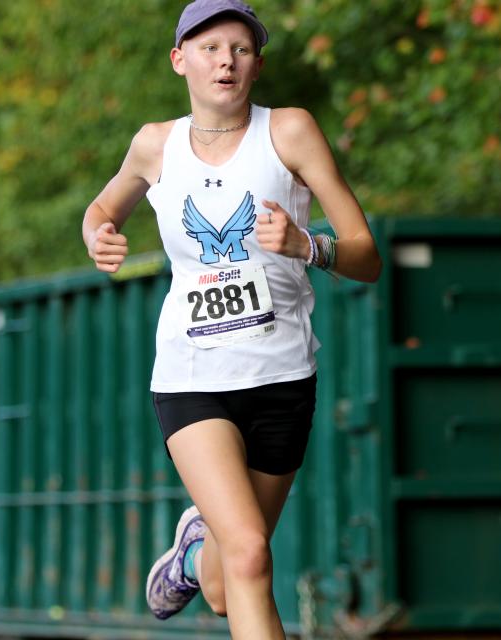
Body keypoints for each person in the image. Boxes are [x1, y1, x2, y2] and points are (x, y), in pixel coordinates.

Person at [82, 1, 382, 636]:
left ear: (257, 64)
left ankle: (194, 552)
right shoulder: (154, 144)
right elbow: (101, 209)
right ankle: (208, 543)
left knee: (224, 586)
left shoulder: (290, 132)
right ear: (179, 60)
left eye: (241, 49)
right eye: (211, 47)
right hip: (193, 376)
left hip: (282, 378)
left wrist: (309, 246)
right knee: (250, 553)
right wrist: (99, 234)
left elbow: (367, 257)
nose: (226, 60)